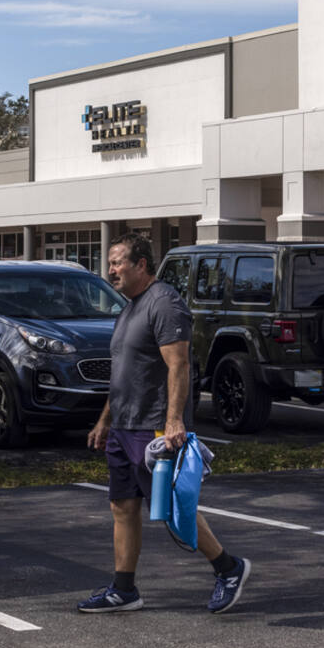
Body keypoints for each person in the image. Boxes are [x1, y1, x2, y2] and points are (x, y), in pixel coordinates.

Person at [78, 233, 251, 615]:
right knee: (122, 507)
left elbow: (179, 365)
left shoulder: (164, 303)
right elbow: (124, 372)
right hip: (124, 426)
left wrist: (174, 420)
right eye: (109, 263)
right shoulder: (129, 308)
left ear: (141, 264)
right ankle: (124, 590)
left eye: (118, 262)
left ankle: (229, 567)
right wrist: (105, 420)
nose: (111, 270)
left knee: (173, 508)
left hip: (154, 427)